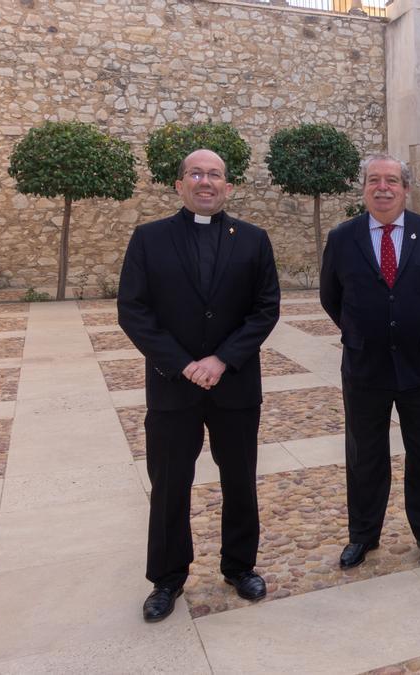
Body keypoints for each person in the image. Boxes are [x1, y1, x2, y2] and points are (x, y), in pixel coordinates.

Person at [119, 149, 280, 621]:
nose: (205, 181)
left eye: (214, 175)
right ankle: (166, 579)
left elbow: (265, 308)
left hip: (234, 386)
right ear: (179, 185)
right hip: (174, 386)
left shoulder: (253, 240)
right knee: (169, 484)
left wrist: (223, 360)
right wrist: (183, 364)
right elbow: (133, 310)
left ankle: (239, 566)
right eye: (196, 174)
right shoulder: (149, 239)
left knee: (239, 480)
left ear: (228, 187)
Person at [320, 153, 420, 569]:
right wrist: (360, 333)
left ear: (406, 188)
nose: (382, 188)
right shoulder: (342, 238)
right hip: (365, 367)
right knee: (365, 455)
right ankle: (363, 535)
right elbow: (332, 298)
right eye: (374, 180)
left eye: (391, 181)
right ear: (363, 188)